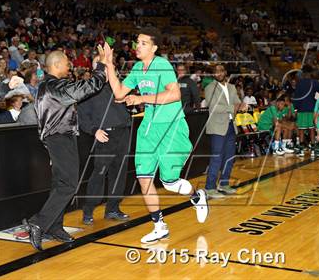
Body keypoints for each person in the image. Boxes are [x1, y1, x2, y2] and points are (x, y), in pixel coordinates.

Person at [103, 28, 208, 244]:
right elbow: (119, 93)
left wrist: (142, 99)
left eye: (143, 43)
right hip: (148, 130)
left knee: (169, 182)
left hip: (170, 127)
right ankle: (159, 226)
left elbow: (174, 94)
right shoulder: (137, 69)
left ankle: (197, 196)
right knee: (144, 179)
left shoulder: (161, 65)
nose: (137, 46)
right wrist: (109, 65)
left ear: (154, 47)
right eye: (137, 42)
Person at [22, 47, 107, 251]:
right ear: (57, 65)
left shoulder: (44, 87)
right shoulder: (56, 86)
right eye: (67, 63)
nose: (70, 67)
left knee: (60, 183)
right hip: (61, 137)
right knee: (69, 185)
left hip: (55, 138)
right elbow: (88, 87)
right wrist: (101, 67)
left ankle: (54, 227)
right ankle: (39, 223)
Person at [78, 66, 132, 225]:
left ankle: (113, 209)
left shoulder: (117, 87)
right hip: (105, 136)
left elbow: (124, 106)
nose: (112, 73)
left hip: (122, 133)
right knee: (99, 174)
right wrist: (94, 130)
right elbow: (82, 118)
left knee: (119, 173)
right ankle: (88, 210)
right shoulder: (88, 90)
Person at [204, 64, 248, 198]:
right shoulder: (209, 88)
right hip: (217, 127)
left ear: (225, 72)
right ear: (213, 74)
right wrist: (233, 107)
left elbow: (238, 103)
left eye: (221, 70)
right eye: (216, 71)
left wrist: (242, 105)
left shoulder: (232, 87)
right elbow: (214, 107)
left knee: (229, 157)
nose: (219, 73)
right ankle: (209, 187)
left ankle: (224, 184)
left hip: (231, 126)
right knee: (217, 157)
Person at [293, 65, 319, 156]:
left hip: (301, 109)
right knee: (312, 129)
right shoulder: (316, 83)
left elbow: (296, 97)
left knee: (301, 129)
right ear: (311, 72)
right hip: (312, 109)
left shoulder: (300, 83)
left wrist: (295, 108)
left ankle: (301, 149)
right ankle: (313, 148)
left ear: (303, 73)